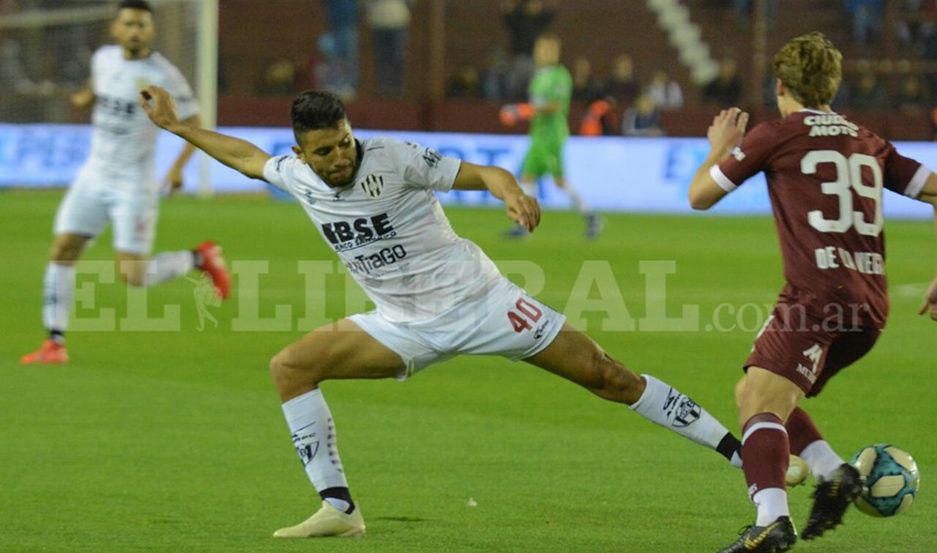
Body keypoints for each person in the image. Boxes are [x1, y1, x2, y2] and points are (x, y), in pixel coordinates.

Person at [140, 84, 750, 539]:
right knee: (290, 367)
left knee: (610, 377)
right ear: (302, 155)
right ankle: (339, 508)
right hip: (402, 325)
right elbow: (244, 156)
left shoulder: (394, 158)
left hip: (484, 303)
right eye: (324, 151)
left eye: (344, 142)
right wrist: (174, 127)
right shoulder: (297, 176)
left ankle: (746, 455)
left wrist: (510, 190)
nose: (339, 158)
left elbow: (481, 171)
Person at [688, 32, 937, 552]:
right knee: (756, 393)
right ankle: (832, 472)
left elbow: (700, 196)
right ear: (833, 86)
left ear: (780, 86)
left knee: (759, 401)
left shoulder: (777, 134)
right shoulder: (868, 140)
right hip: (869, 309)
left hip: (814, 299)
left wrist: (717, 147)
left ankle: (772, 521)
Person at [20, 0, 230, 365]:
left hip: (134, 183)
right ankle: (54, 342)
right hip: (94, 174)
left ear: (152, 31)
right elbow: (94, 88)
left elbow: (196, 118)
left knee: (133, 275)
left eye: (142, 25)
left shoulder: (163, 74)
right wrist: (84, 97)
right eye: (129, 24)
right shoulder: (103, 59)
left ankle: (199, 257)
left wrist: (180, 166)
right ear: (116, 29)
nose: (135, 31)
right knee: (63, 249)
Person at [500, 34, 601, 239]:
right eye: (541, 49)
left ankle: (591, 216)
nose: (543, 53)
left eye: (548, 49)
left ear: (556, 53)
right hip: (538, 135)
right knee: (527, 176)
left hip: (552, 136)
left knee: (559, 181)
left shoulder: (560, 75)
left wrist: (523, 111)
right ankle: (524, 225)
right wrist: (525, 111)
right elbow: (536, 106)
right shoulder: (539, 76)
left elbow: (555, 105)